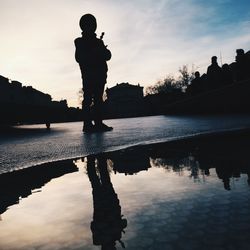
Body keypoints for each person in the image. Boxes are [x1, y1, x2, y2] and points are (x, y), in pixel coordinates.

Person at [74, 14, 113, 132]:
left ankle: (98, 123)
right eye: (88, 24)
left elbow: (108, 56)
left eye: (91, 25)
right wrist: (94, 52)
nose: (90, 27)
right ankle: (87, 124)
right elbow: (79, 58)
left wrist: (101, 50)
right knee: (87, 100)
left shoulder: (98, 42)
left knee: (98, 100)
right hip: (89, 75)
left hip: (100, 75)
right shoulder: (79, 41)